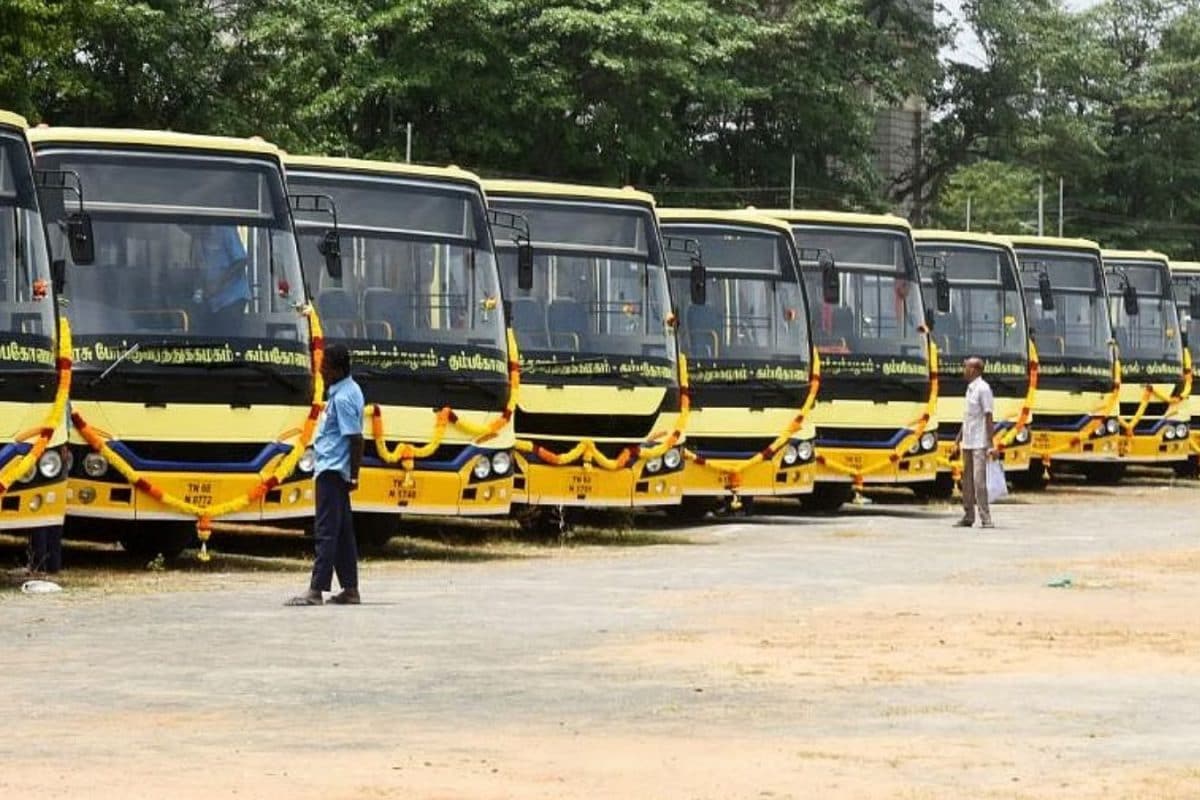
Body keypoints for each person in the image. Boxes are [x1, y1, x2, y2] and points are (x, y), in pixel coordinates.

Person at [287, 343, 365, 606]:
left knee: (326, 531)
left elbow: (355, 439)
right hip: (333, 470)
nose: (320, 369)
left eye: (324, 365)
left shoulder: (343, 398)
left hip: (332, 471)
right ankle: (350, 589)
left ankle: (316, 590)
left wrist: (354, 475)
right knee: (342, 533)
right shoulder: (345, 390)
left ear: (336, 369)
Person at [953, 356, 997, 528]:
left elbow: (988, 416)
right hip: (968, 441)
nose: (964, 370)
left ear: (975, 370)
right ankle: (968, 516)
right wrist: (957, 441)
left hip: (979, 442)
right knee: (967, 481)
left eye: (966, 367)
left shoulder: (983, 389)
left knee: (979, 481)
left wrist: (991, 444)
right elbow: (967, 419)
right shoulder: (969, 389)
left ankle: (986, 518)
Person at [192, 226, 251, 331]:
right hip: (212, 302)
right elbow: (200, 268)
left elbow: (241, 261)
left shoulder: (226, 230)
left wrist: (219, 283)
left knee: (228, 337)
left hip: (232, 299)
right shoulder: (199, 238)